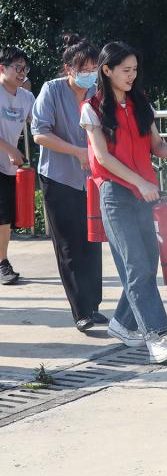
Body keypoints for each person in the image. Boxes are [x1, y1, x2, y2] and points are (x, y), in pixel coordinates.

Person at [80, 42, 167, 364]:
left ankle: (121, 324)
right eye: (126, 71)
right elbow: (102, 158)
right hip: (116, 196)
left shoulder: (140, 102)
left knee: (146, 265)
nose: (132, 76)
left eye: (135, 70)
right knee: (136, 268)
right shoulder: (91, 108)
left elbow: (157, 146)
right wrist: (140, 183)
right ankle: (155, 338)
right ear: (107, 70)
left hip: (144, 195)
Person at [31, 35, 105, 329]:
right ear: (69, 69)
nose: (90, 74)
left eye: (94, 68)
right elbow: (39, 134)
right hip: (59, 177)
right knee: (68, 245)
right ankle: (81, 311)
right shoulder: (51, 90)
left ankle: (95, 305)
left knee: (93, 242)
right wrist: (77, 151)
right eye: (84, 68)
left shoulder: (98, 92)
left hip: (92, 179)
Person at [0, 46, 35, 286]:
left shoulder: (27, 98)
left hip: (9, 166)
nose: (22, 73)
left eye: (25, 68)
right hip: (5, 159)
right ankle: (2, 263)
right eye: (17, 68)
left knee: (7, 217)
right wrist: (11, 149)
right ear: (2, 68)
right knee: (2, 217)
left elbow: (41, 124)